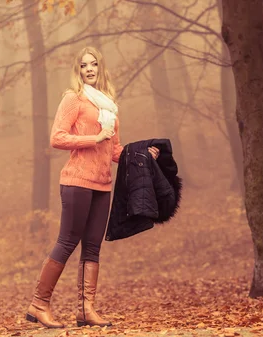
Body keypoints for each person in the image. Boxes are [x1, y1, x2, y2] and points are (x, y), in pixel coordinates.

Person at [25, 46, 159, 329]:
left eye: (94, 64)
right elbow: (57, 137)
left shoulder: (108, 106)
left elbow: (113, 150)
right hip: (76, 181)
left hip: (102, 184)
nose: (89, 69)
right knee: (67, 241)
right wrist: (94, 137)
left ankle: (86, 310)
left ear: (100, 68)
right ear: (77, 70)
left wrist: (142, 154)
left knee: (93, 248)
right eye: (83, 65)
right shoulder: (74, 99)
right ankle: (38, 304)